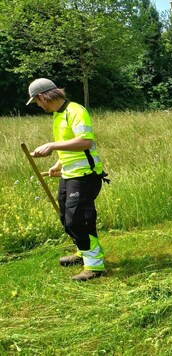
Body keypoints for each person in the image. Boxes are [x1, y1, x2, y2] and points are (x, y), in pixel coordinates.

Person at [26, 78, 109, 281]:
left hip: (86, 177)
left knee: (78, 219)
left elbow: (85, 142)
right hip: (69, 175)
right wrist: (58, 165)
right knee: (66, 218)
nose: (38, 105)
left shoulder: (76, 111)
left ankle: (95, 266)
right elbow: (69, 146)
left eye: (36, 101)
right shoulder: (58, 115)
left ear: (42, 97)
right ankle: (83, 253)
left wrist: (52, 146)